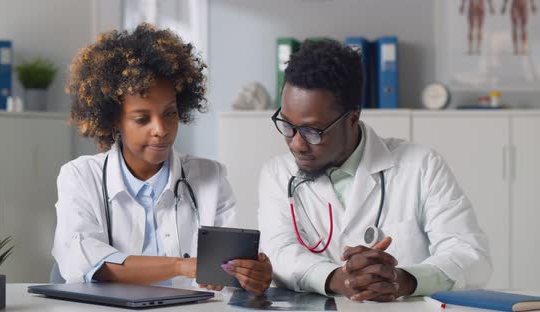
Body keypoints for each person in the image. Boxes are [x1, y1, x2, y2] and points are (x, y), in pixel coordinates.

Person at [258, 39, 492, 301]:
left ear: (352, 118)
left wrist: (404, 280)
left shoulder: (421, 165)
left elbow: (471, 255)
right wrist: (339, 278)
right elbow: (278, 252)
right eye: (287, 125)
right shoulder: (278, 174)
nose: (297, 144)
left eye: (313, 131)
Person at [51, 23, 272, 295]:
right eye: (142, 119)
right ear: (114, 120)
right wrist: (181, 267)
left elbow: (230, 272)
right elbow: (87, 266)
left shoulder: (210, 177)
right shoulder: (80, 177)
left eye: (169, 113)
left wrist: (254, 275)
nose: (161, 129)